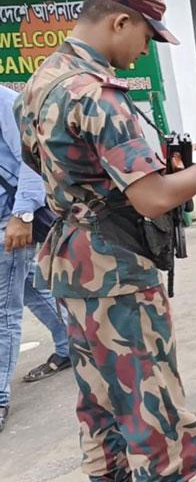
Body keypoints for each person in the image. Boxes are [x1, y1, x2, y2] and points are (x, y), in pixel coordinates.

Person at [15, 0, 196, 481]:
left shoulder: (40, 83)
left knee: (100, 406)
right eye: (147, 37)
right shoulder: (99, 94)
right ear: (120, 22)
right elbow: (154, 198)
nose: (146, 51)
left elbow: (48, 164)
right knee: (152, 411)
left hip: (72, 268)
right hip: (117, 274)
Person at [0, 84, 71, 434]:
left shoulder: (5, 102)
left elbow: (32, 160)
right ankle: (71, 342)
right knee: (28, 289)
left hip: (9, 221)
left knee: (4, 309)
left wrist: (22, 215)